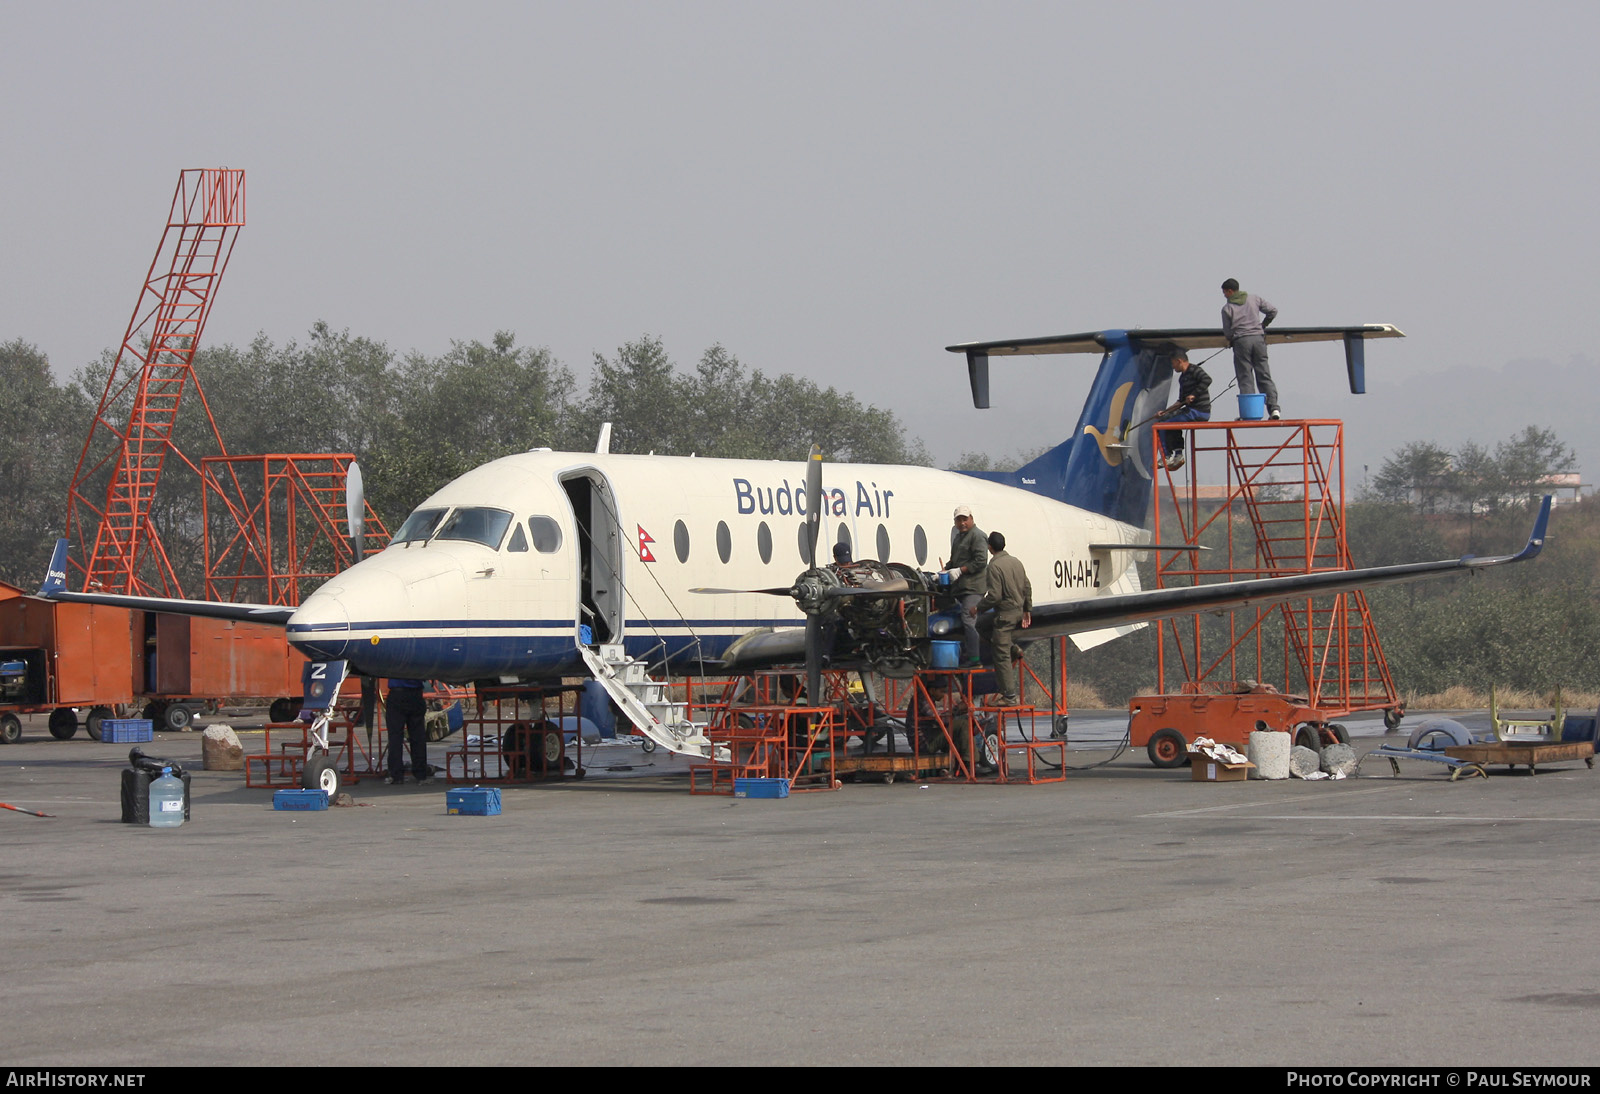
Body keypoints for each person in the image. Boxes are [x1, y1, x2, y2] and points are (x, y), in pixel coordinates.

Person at [979, 531, 1032, 706]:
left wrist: (977, 608)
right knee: (987, 630)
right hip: (1017, 611)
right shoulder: (1016, 562)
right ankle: (1013, 649)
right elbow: (1027, 586)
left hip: (1005, 614)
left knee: (1000, 655)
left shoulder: (994, 566)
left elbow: (994, 596)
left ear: (990, 547)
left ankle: (1009, 696)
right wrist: (1027, 609)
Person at [1220, 278, 1280, 419]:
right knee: (1264, 374)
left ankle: (1251, 413)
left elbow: (1228, 332)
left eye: (1224, 293)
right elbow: (1273, 311)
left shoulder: (1227, 308)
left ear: (1230, 291)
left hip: (1241, 342)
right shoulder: (1254, 299)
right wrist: (1263, 325)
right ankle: (1274, 409)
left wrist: (1231, 340)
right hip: (1259, 340)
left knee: (1245, 376)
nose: (1224, 296)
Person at [942, 505, 987, 667]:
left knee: (968, 620)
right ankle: (963, 655)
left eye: (964, 519)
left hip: (973, 588)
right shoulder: (959, 537)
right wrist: (944, 570)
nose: (962, 523)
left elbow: (981, 561)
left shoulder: (978, 536)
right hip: (960, 588)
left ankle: (975, 660)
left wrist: (961, 570)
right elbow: (954, 560)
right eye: (958, 520)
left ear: (971, 518)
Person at [1157, 348, 1212, 471]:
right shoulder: (1182, 378)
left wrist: (1194, 394)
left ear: (1179, 361)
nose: (1173, 367)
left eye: (1173, 363)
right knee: (1167, 420)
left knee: (1163, 425)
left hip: (1199, 411)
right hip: (1189, 410)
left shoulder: (1194, 370)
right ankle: (1177, 454)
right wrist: (1165, 412)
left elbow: (1207, 380)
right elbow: (1180, 401)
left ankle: (1166, 456)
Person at [904, 675, 976, 769]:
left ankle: (962, 763)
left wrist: (956, 712)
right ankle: (971, 764)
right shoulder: (923, 699)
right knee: (962, 724)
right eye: (941, 692)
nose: (943, 695)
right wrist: (956, 709)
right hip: (924, 743)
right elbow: (939, 720)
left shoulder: (924, 698)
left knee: (960, 732)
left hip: (928, 736)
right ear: (932, 690)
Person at [384, 678, 430, 785]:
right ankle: (421, 774)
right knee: (418, 737)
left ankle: (396, 775)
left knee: (395, 737)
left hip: (397, 694)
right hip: (415, 694)